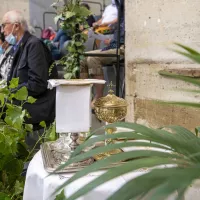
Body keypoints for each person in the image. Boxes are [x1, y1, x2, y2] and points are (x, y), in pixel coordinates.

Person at [1, 10, 58, 148]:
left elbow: (37, 84)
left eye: (4, 25)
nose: (3, 30)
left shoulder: (34, 45)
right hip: (21, 103)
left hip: (35, 107)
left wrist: (8, 93)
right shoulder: (20, 46)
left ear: (16, 26)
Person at [80, 0, 124, 107]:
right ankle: (84, 95)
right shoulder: (120, 12)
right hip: (115, 43)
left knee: (93, 58)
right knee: (83, 57)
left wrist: (113, 40)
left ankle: (98, 97)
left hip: (123, 47)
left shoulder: (127, 12)